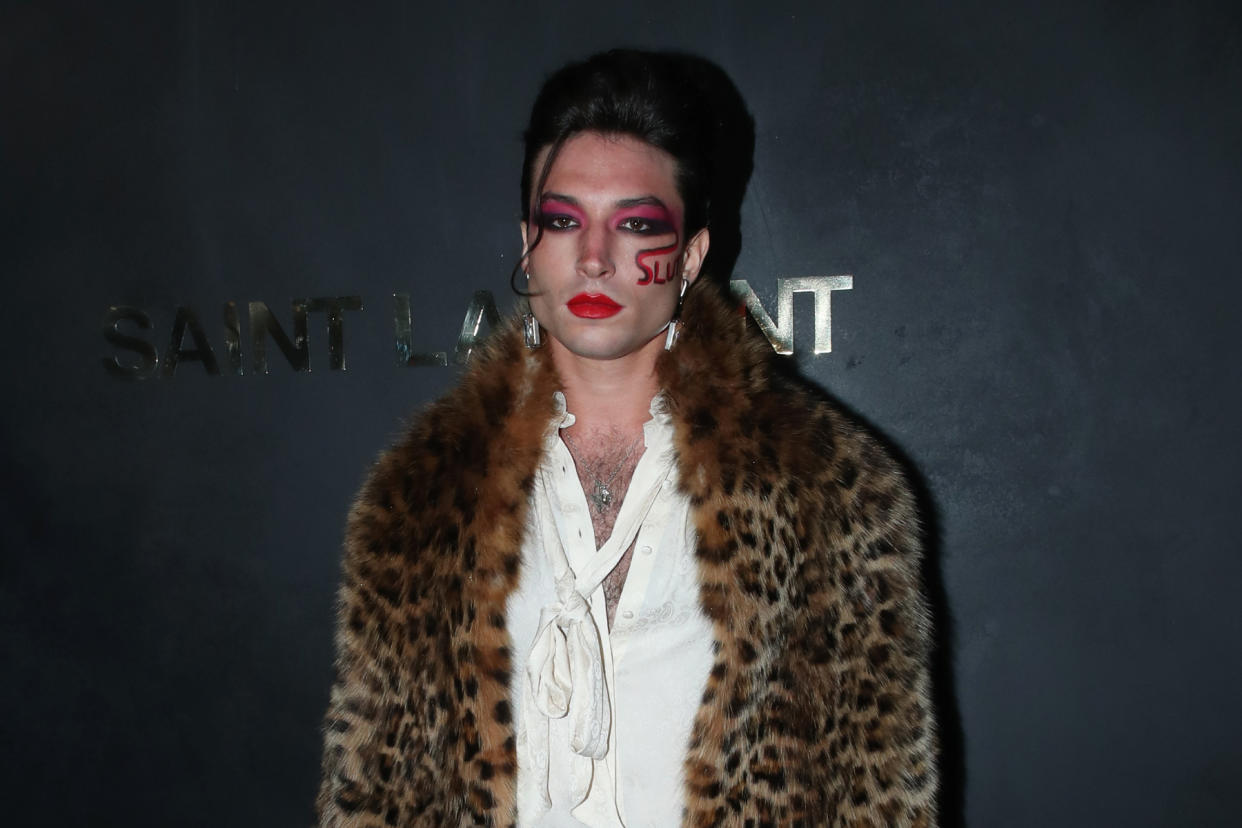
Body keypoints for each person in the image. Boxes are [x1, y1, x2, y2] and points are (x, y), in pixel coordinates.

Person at [317, 49, 938, 827]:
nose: (594, 258)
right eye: (563, 220)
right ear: (526, 245)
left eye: (637, 225)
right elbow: (371, 793)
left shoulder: (832, 492)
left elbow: (880, 794)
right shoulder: (418, 499)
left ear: (690, 256)